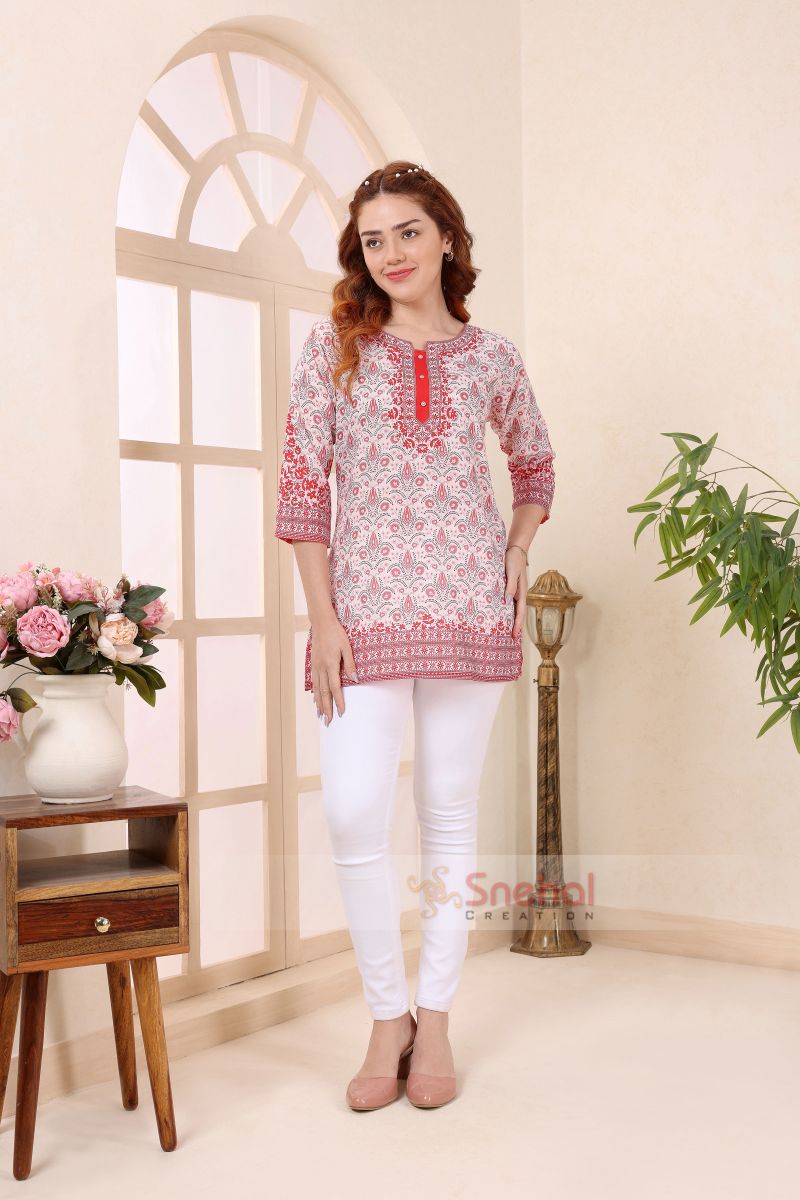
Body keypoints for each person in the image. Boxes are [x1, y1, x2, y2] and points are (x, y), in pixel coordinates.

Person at [274, 160, 556, 1110]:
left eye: (407, 232)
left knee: (448, 812)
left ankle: (434, 1017)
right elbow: (303, 488)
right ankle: (384, 1015)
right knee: (354, 812)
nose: (390, 253)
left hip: (471, 607)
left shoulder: (493, 358)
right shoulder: (334, 350)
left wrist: (517, 545)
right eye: (372, 240)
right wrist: (323, 618)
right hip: (362, 615)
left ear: (445, 237)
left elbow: (535, 463)